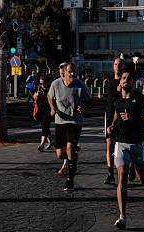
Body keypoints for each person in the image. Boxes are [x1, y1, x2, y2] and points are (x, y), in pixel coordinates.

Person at [107, 69, 144, 229]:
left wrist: (133, 118)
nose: (125, 81)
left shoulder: (140, 99)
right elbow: (117, 117)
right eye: (123, 78)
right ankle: (122, 216)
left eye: (128, 78)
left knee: (142, 177)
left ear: (134, 82)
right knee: (122, 177)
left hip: (137, 143)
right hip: (121, 143)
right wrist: (111, 127)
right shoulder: (117, 100)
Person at [47, 62, 92, 191]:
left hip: (75, 121)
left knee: (70, 148)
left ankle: (70, 179)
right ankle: (72, 156)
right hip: (60, 121)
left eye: (74, 72)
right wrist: (52, 108)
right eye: (70, 72)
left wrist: (84, 107)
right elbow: (50, 96)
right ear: (64, 72)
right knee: (60, 154)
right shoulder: (56, 84)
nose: (72, 74)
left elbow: (90, 101)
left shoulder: (80, 85)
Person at [104, 57, 124, 184]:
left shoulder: (125, 81)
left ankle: (129, 168)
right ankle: (110, 172)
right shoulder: (110, 82)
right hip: (110, 116)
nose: (117, 66)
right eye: (115, 64)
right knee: (109, 145)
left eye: (119, 64)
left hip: (122, 117)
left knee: (123, 146)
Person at [34, 76, 53, 151]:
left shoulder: (50, 89)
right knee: (44, 126)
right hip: (40, 110)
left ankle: (42, 144)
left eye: (43, 83)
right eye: (40, 83)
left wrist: (46, 91)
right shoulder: (39, 88)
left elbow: (53, 98)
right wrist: (38, 93)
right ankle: (50, 141)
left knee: (45, 126)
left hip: (48, 110)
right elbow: (34, 97)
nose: (42, 85)